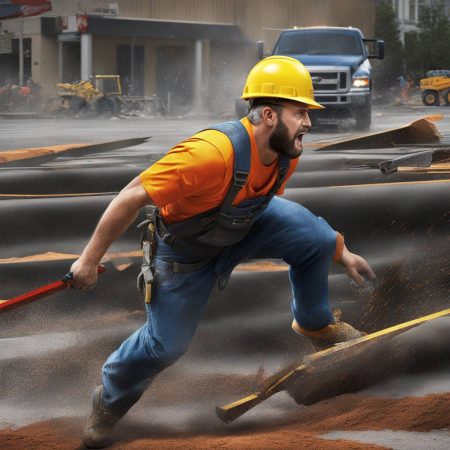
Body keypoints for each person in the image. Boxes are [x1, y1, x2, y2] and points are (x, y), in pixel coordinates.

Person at [71, 55, 376, 448]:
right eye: (301, 112)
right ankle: (108, 402)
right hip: (186, 255)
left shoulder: (285, 156)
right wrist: (89, 260)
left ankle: (316, 325)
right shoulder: (209, 154)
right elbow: (131, 195)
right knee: (165, 345)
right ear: (269, 114)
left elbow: (274, 212)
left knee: (316, 236)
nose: (309, 122)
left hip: (242, 229)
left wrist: (340, 251)